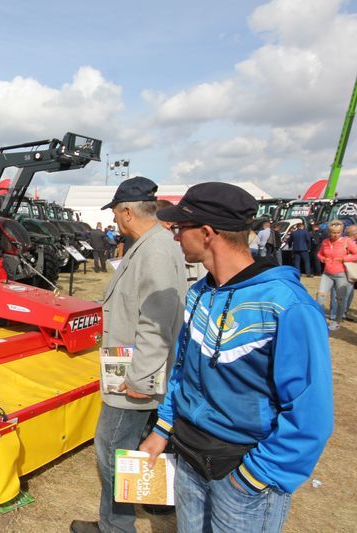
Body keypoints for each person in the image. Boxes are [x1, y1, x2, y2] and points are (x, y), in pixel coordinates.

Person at [139, 182, 333, 533]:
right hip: (189, 459)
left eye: (180, 228)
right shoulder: (199, 293)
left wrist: (254, 476)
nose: (175, 236)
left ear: (208, 233)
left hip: (243, 474)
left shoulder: (289, 306)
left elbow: (310, 414)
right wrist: (163, 429)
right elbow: (182, 370)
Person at [70, 177, 186, 533]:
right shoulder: (150, 245)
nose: (117, 221)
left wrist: (140, 378)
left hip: (136, 376)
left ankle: (115, 526)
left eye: (117, 215)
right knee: (145, 444)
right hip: (139, 368)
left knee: (112, 449)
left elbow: (157, 320)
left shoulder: (155, 250)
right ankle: (158, 503)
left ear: (126, 211)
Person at [317, 220, 357, 330]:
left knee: (340, 299)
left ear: (342, 231)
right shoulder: (325, 242)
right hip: (327, 273)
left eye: (338, 232)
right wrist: (322, 259)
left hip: (341, 273)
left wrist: (344, 258)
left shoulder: (347, 241)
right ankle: (320, 319)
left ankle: (337, 321)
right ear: (329, 232)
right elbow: (319, 254)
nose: (335, 234)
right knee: (320, 296)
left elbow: (356, 254)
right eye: (333, 232)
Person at [345, 224, 357, 321]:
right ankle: (342, 312)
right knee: (347, 292)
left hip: (348, 270)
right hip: (348, 270)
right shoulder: (348, 242)